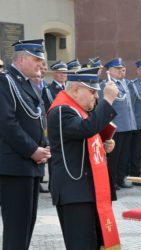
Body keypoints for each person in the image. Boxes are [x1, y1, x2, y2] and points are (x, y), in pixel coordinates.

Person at [47, 67, 120, 249]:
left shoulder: (79, 112)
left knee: (94, 244)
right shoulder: (61, 110)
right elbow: (86, 128)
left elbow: (85, 137)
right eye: (93, 92)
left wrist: (103, 148)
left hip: (87, 190)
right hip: (74, 193)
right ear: (76, 89)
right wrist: (108, 100)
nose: (96, 97)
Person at [0, 39, 51, 249]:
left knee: (26, 227)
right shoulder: (5, 81)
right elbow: (7, 123)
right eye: (36, 59)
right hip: (14, 166)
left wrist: (44, 146)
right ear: (21, 59)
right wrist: (32, 150)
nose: (41, 64)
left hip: (30, 166)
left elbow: (38, 119)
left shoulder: (27, 83)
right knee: (16, 229)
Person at [100, 57, 136, 189]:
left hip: (127, 125)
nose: (121, 71)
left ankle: (120, 178)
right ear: (110, 71)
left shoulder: (124, 84)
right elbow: (105, 106)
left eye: (122, 69)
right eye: (118, 69)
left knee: (124, 156)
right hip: (116, 127)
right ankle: (111, 181)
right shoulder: (107, 85)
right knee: (114, 157)